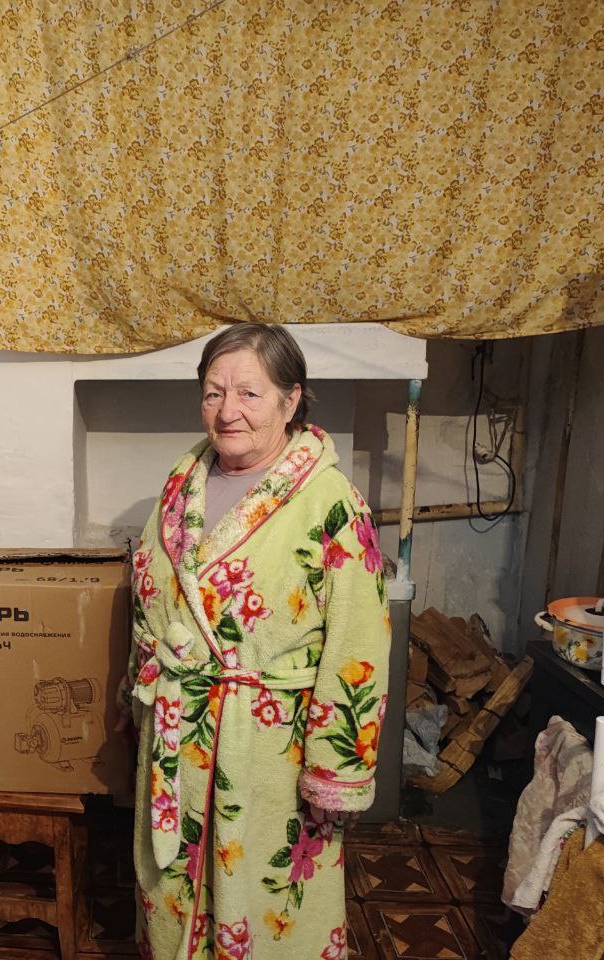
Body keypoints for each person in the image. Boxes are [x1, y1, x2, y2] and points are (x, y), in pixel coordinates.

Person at [122, 324, 390, 960]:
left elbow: (358, 641)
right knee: (172, 894)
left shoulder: (330, 503)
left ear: (290, 401)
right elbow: (150, 601)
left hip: (271, 753)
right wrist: (142, 687)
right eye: (214, 393)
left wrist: (333, 770)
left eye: (249, 393)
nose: (228, 411)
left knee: (266, 912)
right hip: (179, 738)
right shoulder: (182, 482)